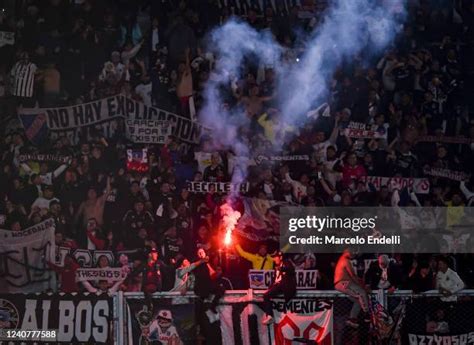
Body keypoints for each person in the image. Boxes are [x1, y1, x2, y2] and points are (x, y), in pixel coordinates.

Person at [334, 249, 370, 328]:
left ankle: (352, 318)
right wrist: (362, 285)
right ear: (346, 252)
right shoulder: (345, 260)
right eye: (351, 252)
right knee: (362, 292)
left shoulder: (342, 260)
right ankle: (367, 314)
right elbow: (352, 275)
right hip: (343, 283)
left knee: (357, 301)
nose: (353, 253)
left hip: (342, 283)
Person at [262, 251, 297, 325]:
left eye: (275, 257)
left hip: (283, 286)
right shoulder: (277, 267)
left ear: (281, 257)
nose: (274, 259)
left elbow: (291, 270)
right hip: (278, 286)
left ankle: (270, 316)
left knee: (266, 295)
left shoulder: (286, 263)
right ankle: (269, 315)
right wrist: (270, 288)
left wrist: (282, 269)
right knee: (266, 295)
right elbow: (275, 280)